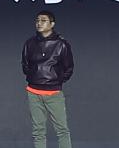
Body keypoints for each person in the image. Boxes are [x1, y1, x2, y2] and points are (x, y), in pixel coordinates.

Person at [22, 10, 74, 148]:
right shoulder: (29, 43)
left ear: (52, 24)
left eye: (43, 20)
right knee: (38, 131)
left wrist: (56, 81)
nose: (39, 23)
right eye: (37, 20)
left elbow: (69, 68)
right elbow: (25, 65)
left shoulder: (62, 44)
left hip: (53, 93)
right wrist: (33, 76)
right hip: (33, 92)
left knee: (62, 130)